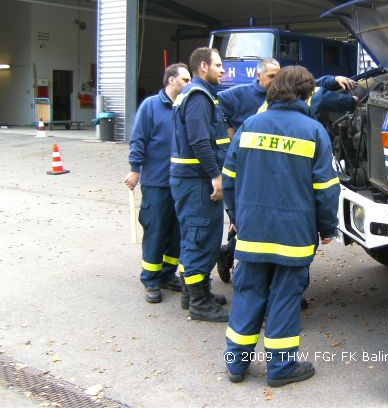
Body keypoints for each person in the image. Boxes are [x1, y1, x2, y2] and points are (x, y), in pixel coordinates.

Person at [222, 65, 340, 387]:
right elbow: (326, 189)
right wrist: (328, 228)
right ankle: (281, 368)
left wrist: (237, 217)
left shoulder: (249, 126)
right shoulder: (315, 131)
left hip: (252, 231)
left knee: (248, 293)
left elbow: (229, 179)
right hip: (294, 235)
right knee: (286, 297)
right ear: (305, 93)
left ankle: (236, 364)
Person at [170, 47, 229, 323]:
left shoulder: (198, 95)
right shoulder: (198, 97)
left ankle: (193, 293)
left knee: (197, 236)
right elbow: (200, 141)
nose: (223, 70)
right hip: (197, 182)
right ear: (203, 67)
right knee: (199, 237)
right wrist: (216, 175)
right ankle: (199, 303)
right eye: (218, 65)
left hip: (192, 180)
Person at [124, 63, 191, 304]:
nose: (188, 84)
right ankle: (151, 280)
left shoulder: (185, 106)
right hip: (157, 183)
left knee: (176, 232)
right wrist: (135, 170)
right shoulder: (151, 106)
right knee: (156, 231)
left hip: (181, 182)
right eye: (184, 80)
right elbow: (138, 139)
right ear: (171, 80)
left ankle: (166, 274)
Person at [217, 58, 357, 132]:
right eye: (272, 76)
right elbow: (215, 107)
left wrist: (334, 80)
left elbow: (309, 83)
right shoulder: (238, 94)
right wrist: (229, 132)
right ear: (259, 75)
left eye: (279, 76)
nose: (276, 80)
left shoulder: (285, 90)